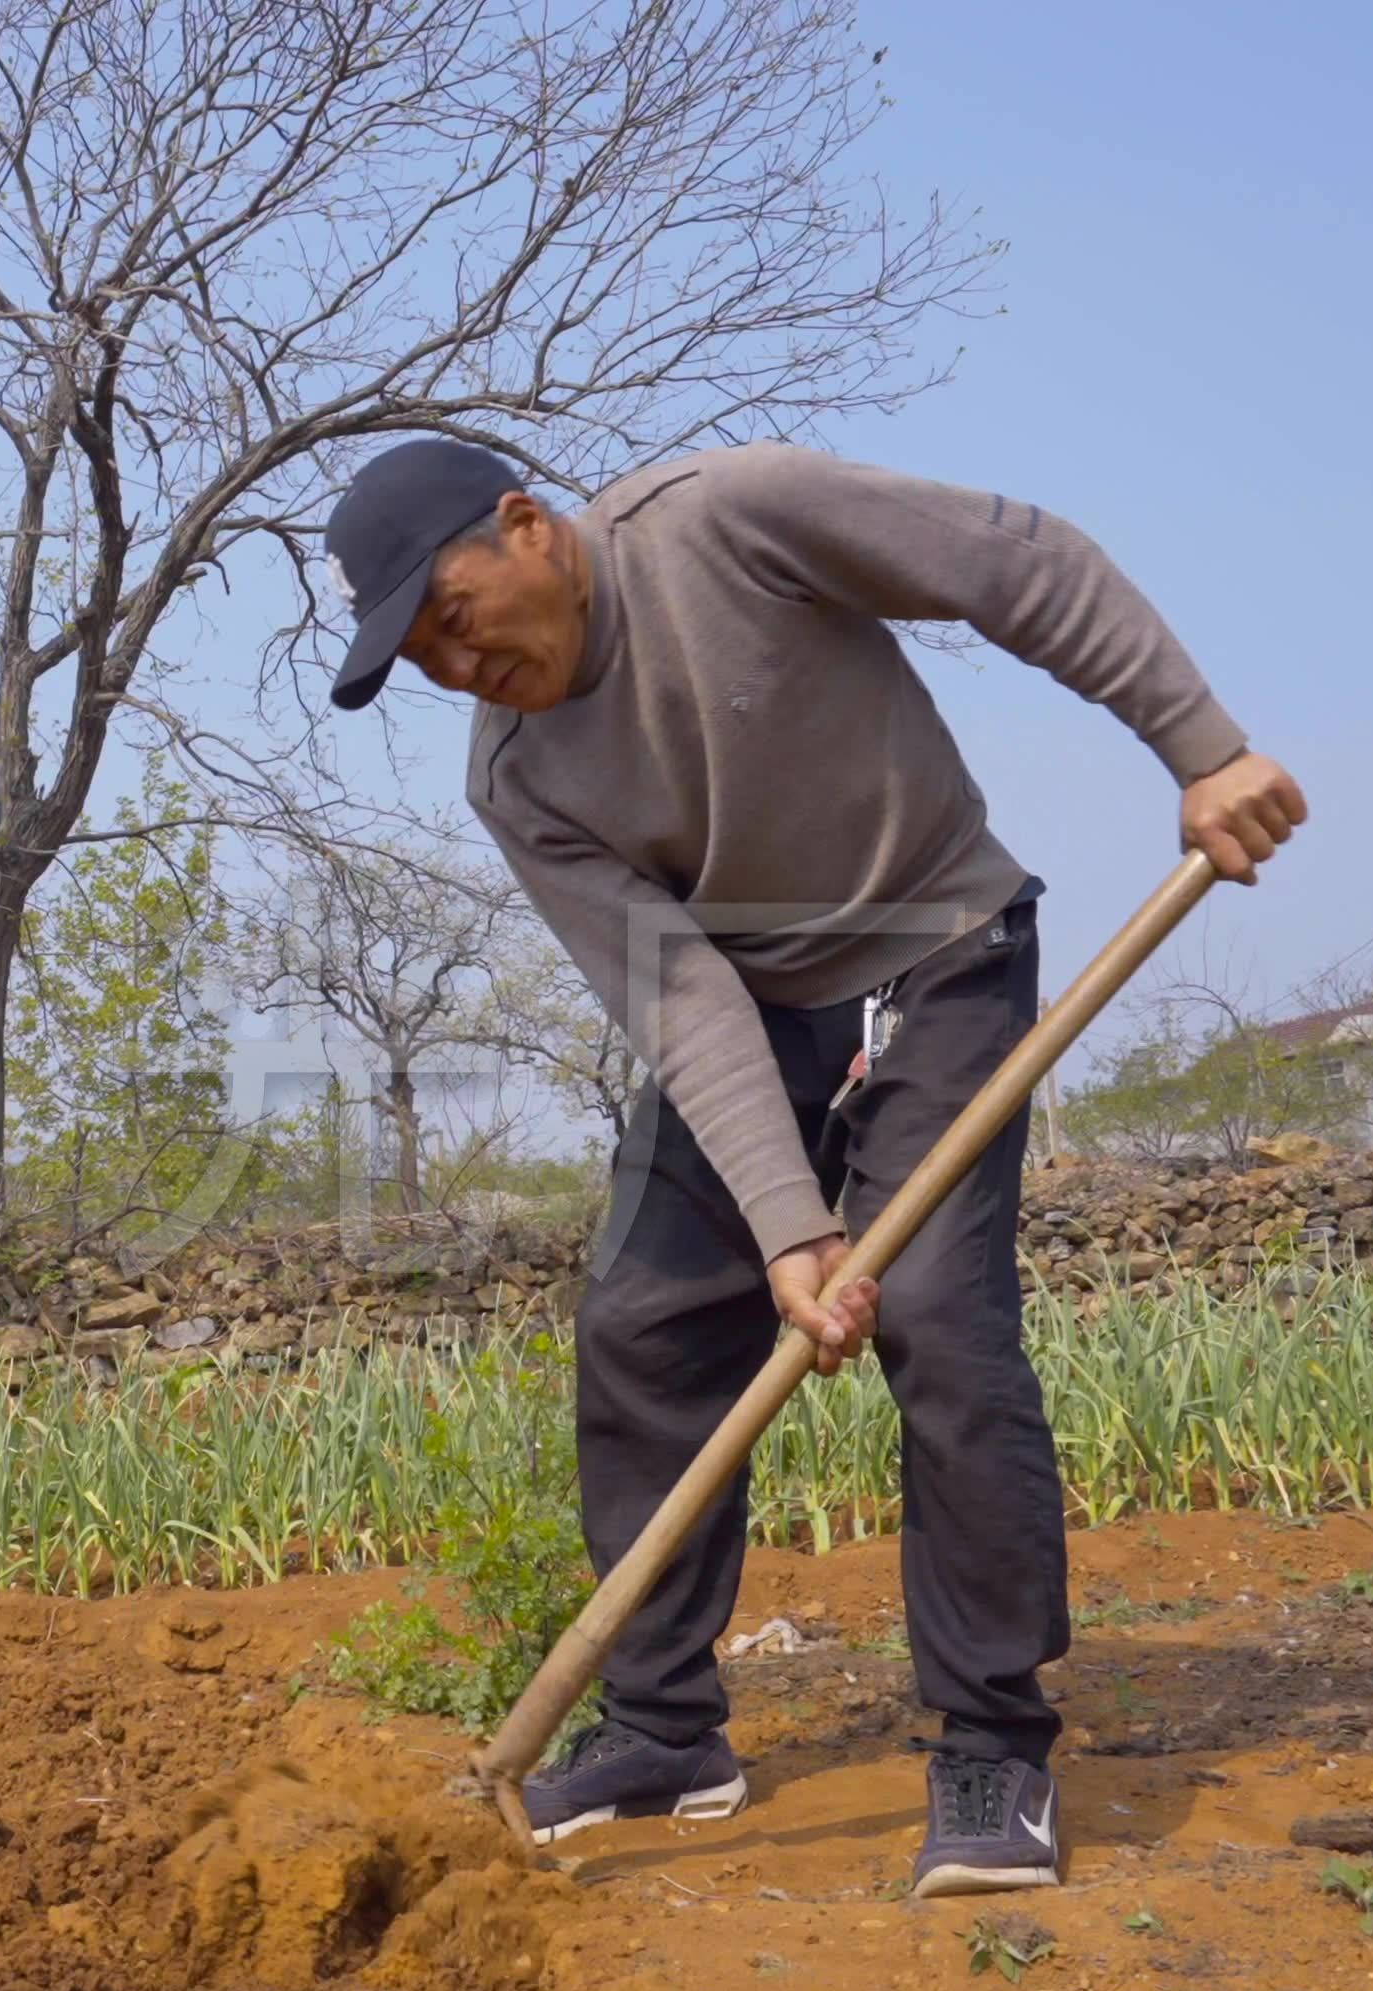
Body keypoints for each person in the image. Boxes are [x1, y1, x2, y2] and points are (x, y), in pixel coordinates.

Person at [317, 437, 1305, 1894]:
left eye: (457, 618)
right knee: (644, 1330)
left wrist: (1202, 747)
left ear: (529, 528)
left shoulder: (731, 518)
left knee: (940, 1324)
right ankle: (664, 1729)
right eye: (423, 660)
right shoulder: (523, 779)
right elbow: (678, 997)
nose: (460, 668)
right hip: (749, 1000)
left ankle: (993, 1741)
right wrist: (789, 1228)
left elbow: (1015, 560)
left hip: (939, 949)